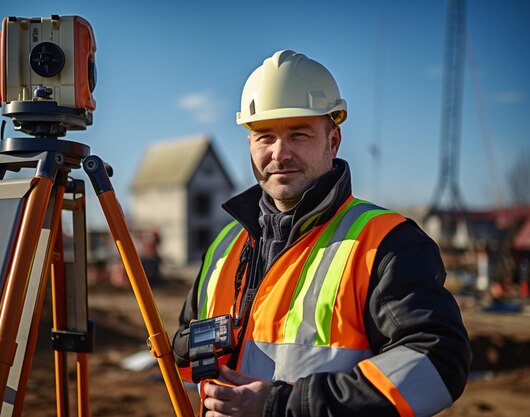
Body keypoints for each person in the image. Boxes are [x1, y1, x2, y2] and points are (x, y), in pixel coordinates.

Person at [172, 50, 470, 417]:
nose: (279, 154)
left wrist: (282, 407)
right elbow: (186, 357)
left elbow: (437, 363)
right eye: (264, 136)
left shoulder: (387, 243)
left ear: (333, 141)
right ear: (249, 143)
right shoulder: (224, 246)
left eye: (299, 134)